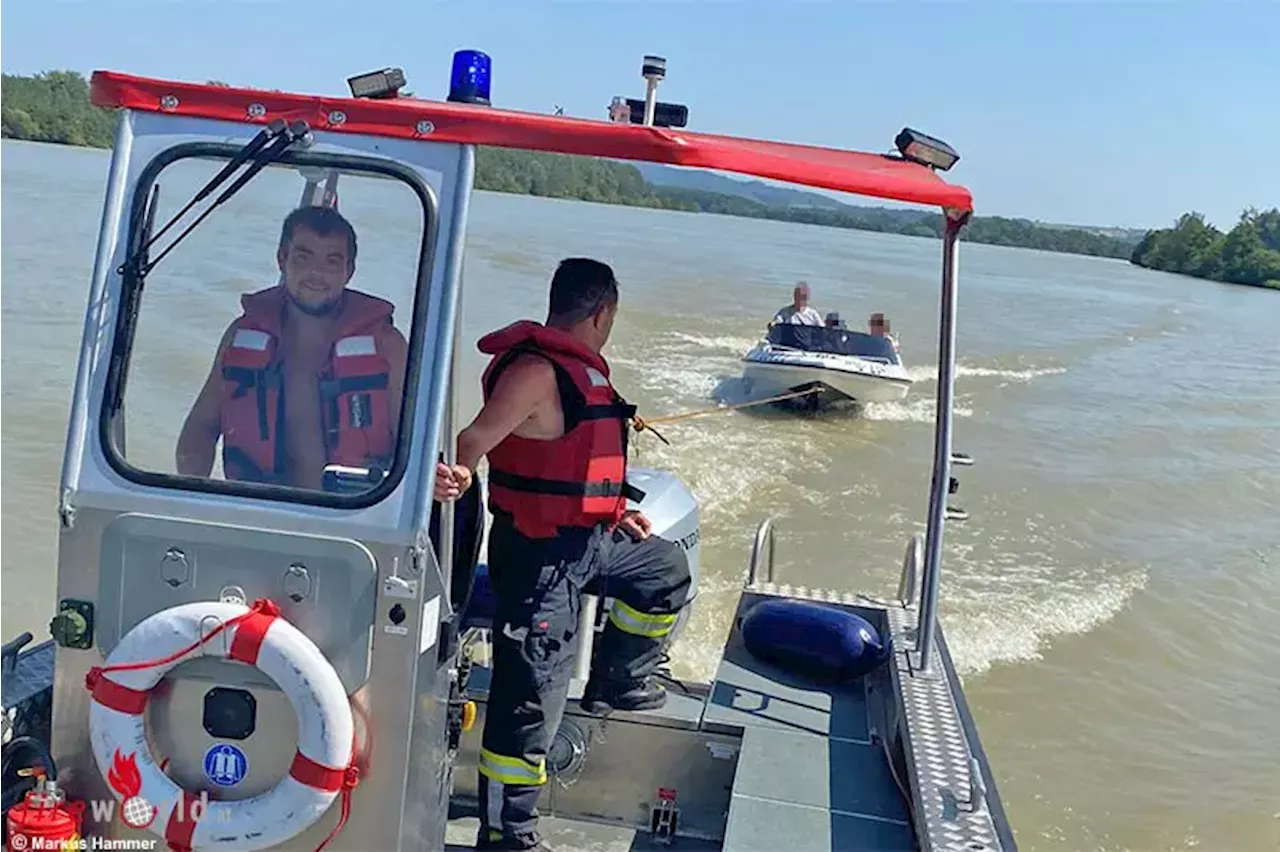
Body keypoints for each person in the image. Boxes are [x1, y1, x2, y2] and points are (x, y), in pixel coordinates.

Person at [434, 258, 692, 852]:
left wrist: (612, 512)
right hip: (538, 560)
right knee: (528, 702)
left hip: (588, 542)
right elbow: (469, 443)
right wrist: (457, 476)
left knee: (664, 570)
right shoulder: (536, 372)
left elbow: (577, 463)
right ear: (602, 313)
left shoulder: (579, 374)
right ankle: (506, 834)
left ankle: (618, 681)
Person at [175, 205, 408, 489]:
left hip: (352, 515)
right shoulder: (241, 335)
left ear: (349, 271)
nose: (316, 274)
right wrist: (193, 496)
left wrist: (441, 478)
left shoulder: (387, 347)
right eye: (303, 257)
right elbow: (201, 427)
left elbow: (415, 444)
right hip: (260, 510)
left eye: (332, 262)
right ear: (282, 260)